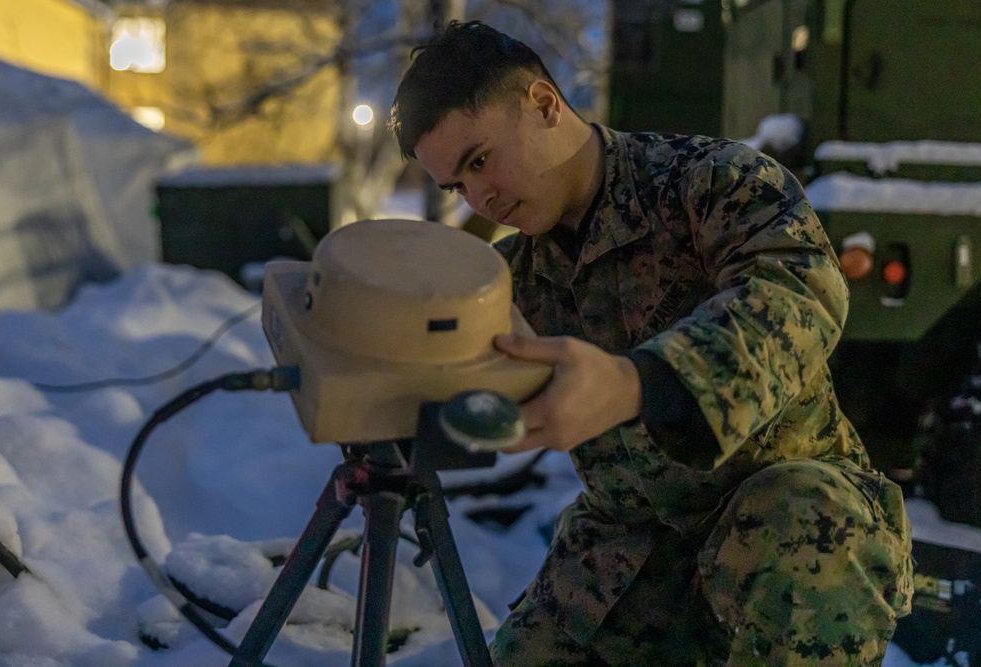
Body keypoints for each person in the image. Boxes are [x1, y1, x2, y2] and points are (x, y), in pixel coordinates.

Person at [389, 20, 913, 666]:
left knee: (798, 523)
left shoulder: (709, 182)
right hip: (634, 556)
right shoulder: (513, 280)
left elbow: (801, 291)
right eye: (457, 186)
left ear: (544, 103)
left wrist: (641, 381)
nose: (480, 195)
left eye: (479, 160)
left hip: (791, 537)